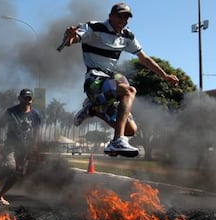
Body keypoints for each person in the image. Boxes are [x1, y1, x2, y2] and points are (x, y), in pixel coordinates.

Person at [61, 2, 179, 157]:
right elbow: (72, 40)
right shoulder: (95, 28)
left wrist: (164, 75)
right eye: (119, 16)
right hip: (94, 80)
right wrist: (69, 37)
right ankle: (117, 140)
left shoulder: (127, 36)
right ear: (110, 16)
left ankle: (93, 110)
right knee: (129, 90)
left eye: (126, 17)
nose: (123, 20)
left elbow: (143, 58)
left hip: (110, 79)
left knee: (131, 130)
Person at [0, 88, 41, 205]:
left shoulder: (36, 115)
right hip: (10, 145)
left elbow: (36, 131)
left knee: (18, 174)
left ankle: (0, 195)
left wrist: (34, 145)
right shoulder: (11, 112)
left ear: (32, 100)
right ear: (19, 98)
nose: (27, 100)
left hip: (25, 148)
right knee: (10, 168)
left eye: (29, 98)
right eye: (25, 97)